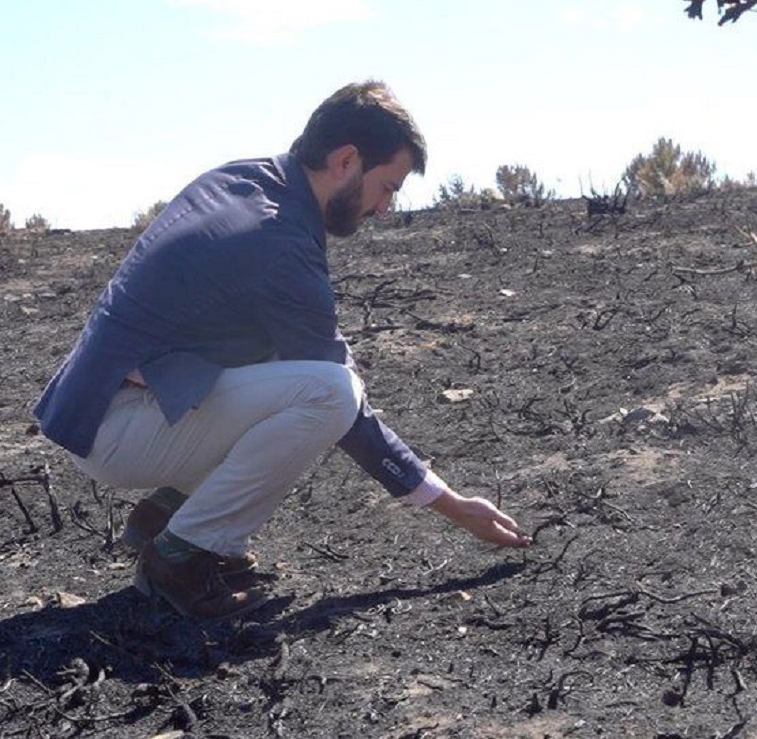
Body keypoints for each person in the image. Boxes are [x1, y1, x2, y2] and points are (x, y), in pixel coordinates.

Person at [33, 80, 530, 622]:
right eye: (387, 187)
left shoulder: (244, 181)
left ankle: (167, 514)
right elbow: (343, 400)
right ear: (346, 161)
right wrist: (453, 506)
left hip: (102, 412)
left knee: (295, 375)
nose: (385, 208)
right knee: (328, 394)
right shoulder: (278, 241)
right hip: (118, 431)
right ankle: (180, 556)